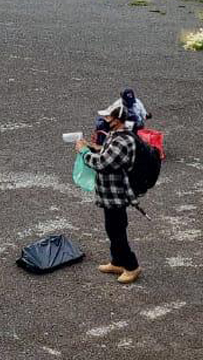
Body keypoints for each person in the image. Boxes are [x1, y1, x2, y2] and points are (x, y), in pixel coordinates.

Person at [77, 104, 141, 284]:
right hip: (109, 194)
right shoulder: (116, 134)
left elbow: (102, 163)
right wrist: (92, 146)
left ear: (117, 120)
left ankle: (132, 266)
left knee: (117, 231)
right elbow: (106, 152)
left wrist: (84, 152)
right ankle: (117, 261)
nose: (104, 120)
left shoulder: (123, 141)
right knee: (112, 229)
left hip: (116, 195)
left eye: (108, 117)